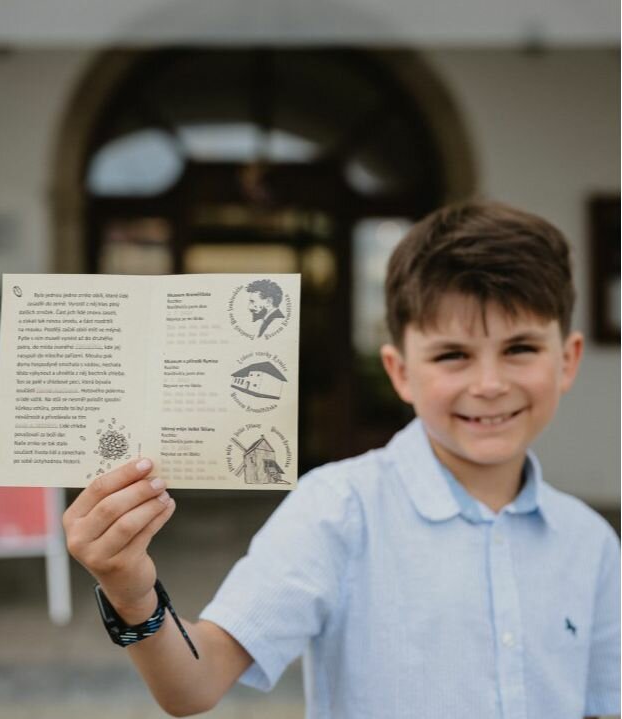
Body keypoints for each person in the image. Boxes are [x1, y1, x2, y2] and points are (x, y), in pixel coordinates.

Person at [63, 200, 620, 718]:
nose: (490, 384)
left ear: (567, 360)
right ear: (399, 370)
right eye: (453, 354)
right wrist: (131, 590)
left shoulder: (590, 543)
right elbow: (194, 682)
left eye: (520, 348)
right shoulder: (338, 509)